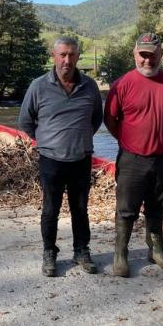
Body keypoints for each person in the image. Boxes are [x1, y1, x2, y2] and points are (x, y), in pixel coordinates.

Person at [19, 36, 103, 277]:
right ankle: (49, 253)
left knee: (80, 209)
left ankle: (81, 251)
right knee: (50, 210)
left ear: (77, 56)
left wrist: (80, 138)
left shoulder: (90, 86)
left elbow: (96, 118)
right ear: (53, 56)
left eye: (72, 54)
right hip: (51, 160)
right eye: (62, 54)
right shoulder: (38, 86)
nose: (67, 60)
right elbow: (26, 121)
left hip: (81, 159)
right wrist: (48, 141)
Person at [104, 33, 163, 277]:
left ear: (161, 54)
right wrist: (128, 139)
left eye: (152, 55)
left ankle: (156, 250)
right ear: (135, 54)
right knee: (126, 208)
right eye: (143, 55)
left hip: (162, 159)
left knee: (158, 207)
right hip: (132, 159)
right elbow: (110, 119)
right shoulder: (122, 84)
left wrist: (161, 134)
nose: (147, 60)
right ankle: (121, 254)